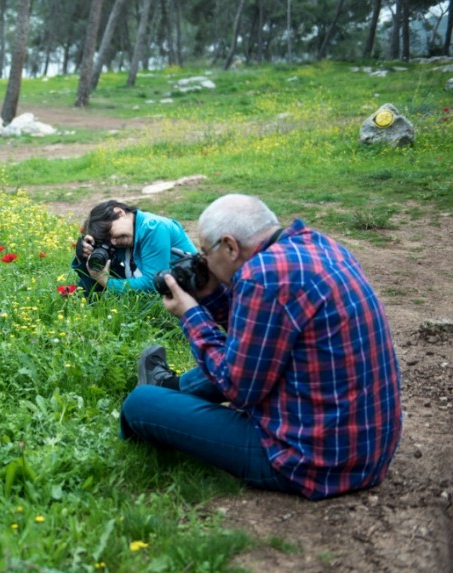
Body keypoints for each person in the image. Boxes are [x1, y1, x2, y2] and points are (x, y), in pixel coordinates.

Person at [121, 194, 402, 500]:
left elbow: (237, 388)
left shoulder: (262, 277)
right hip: (368, 449)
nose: (204, 263)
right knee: (246, 355)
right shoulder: (317, 244)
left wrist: (191, 314)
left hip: (311, 462)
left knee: (140, 403)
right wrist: (212, 296)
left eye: (205, 253)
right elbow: (261, 331)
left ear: (230, 246)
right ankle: (170, 387)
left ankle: (159, 393)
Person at [71, 200, 196, 295]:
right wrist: (83, 257)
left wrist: (106, 281)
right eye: (106, 240)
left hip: (192, 294)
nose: (113, 242)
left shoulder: (153, 228)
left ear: (119, 212)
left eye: (109, 233)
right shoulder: (125, 237)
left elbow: (152, 284)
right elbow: (92, 287)